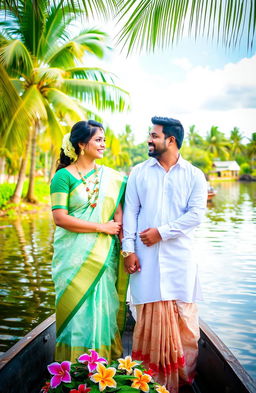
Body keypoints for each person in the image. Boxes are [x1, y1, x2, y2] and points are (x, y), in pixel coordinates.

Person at [122, 116, 207, 392]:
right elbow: (131, 212)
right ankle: (147, 380)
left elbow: (196, 215)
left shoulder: (194, 175)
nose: (149, 139)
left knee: (185, 323)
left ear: (170, 140)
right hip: (145, 260)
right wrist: (128, 250)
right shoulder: (139, 172)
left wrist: (162, 232)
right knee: (146, 316)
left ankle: (181, 381)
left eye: (154, 135)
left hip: (180, 259)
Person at [50, 120, 128, 363]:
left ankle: (104, 366)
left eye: (104, 139)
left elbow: (119, 218)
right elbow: (60, 218)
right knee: (77, 312)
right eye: (98, 139)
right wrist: (100, 227)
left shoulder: (113, 179)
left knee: (103, 308)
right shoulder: (63, 177)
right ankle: (74, 370)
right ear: (82, 144)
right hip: (72, 258)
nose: (103, 144)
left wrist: (129, 252)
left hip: (103, 256)